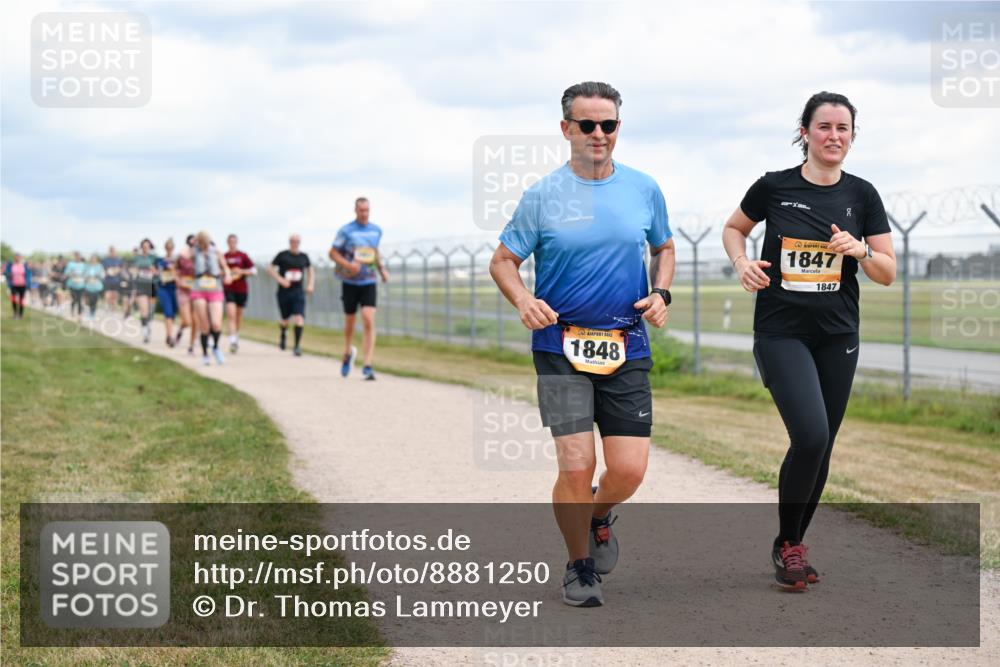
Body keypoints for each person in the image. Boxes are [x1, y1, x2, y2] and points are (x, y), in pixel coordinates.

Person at [489, 82, 674, 607]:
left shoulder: (643, 189)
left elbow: (664, 247)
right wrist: (523, 300)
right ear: (566, 128)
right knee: (575, 464)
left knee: (629, 469)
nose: (598, 134)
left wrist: (661, 292)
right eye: (587, 124)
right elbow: (503, 261)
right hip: (559, 346)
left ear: (618, 128)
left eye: (608, 124)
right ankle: (578, 566)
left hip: (626, 344)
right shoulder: (543, 195)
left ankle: (596, 516)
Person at [722, 91, 896, 591]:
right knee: (811, 436)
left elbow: (886, 272)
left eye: (843, 128)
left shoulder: (863, 195)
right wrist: (742, 263)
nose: (834, 136)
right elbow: (734, 229)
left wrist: (859, 248)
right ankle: (790, 544)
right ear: (805, 132)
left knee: (823, 446)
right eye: (824, 127)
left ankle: (790, 543)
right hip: (781, 331)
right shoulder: (774, 186)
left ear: (853, 137)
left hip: (838, 334)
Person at [329, 197, 389, 380]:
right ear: (355, 211)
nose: (364, 213)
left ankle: (368, 364)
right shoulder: (346, 231)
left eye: (367, 210)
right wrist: (348, 265)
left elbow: (374, 252)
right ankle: (347, 353)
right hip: (349, 282)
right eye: (361, 210)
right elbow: (332, 253)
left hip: (369, 281)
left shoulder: (376, 230)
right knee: (350, 322)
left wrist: (382, 269)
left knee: (368, 318)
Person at [190, 231, 232, 365]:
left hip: (215, 289)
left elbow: (225, 267)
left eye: (206, 243)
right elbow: (184, 254)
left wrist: (228, 275)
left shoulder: (216, 252)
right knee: (205, 326)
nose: (205, 246)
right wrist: (195, 241)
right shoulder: (194, 252)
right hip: (199, 289)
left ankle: (215, 348)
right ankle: (205, 354)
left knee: (216, 323)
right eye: (202, 243)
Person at [268, 234, 314, 356]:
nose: (295, 243)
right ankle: (283, 334)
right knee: (285, 319)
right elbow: (270, 268)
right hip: (284, 292)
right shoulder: (282, 255)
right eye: (293, 241)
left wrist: (310, 284)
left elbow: (310, 270)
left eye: (297, 241)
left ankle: (297, 346)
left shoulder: (304, 257)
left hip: (298, 291)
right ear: (290, 242)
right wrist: (281, 280)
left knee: (299, 317)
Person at [223, 233, 256, 353]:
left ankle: (236, 335)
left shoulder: (243, 256)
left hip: (241, 289)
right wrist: (227, 273)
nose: (232, 244)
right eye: (230, 241)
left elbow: (253, 270)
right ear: (227, 243)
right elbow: (219, 271)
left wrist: (241, 271)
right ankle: (232, 340)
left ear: (236, 242)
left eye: (234, 241)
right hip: (229, 288)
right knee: (231, 314)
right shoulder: (224, 257)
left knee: (238, 315)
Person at [132, 239, 159, 343]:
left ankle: (148, 325)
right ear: (141, 247)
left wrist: (154, 271)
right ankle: (145, 332)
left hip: (152, 285)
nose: (145, 248)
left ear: (150, 247)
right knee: (144, 310)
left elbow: (159, 272)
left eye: (147, 246)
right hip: (141, 286)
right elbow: (133, 270)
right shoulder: (137, 258)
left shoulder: (154, 258)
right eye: (143, 246)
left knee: (151, 311)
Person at [176, 234, 199, 353]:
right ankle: (180, 330)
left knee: (195, 319)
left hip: (195, 290)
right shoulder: (182, 255)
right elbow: (176, 270)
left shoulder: (200, 256)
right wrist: (178, 280)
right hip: (183, 290)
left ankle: (191, 345)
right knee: (187, 321)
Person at [156, 238, 180, 346]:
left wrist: (174, 269)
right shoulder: (160, 260)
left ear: (173, 248)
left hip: (175, 288)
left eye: (171, 248)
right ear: (165, 248)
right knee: (168, 311)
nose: (169, 249)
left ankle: (169, 334)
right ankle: (170, 336)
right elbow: (156, 272)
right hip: (163, 288)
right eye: (167, 247)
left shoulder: (177, 260)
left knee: (173, 312)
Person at [3, 253, 31, 319]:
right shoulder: (11, 265)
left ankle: (20, 314)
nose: (17, 258)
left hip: (22, 285)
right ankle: (15, 313)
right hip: (13, 285)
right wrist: (8, 274)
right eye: (16, 257)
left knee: (21, 300)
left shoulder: (24, 266)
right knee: (13, 299)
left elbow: (28, 274)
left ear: (20, 258)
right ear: (14, 258)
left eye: (18, 257)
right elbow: (6, 273)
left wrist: (28, 283)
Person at [64, 252, 87, 320]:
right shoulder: (70, 264)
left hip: (81, 284)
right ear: (74, 257)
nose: (77, 257)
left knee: (80, 300)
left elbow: (86, 273)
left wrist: (83, 277)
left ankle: (79, 315)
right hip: (72, 284)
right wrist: (71, 274)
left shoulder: (83, 265)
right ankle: (72, 312)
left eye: (79, 256)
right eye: (76, 256)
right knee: (74, 299)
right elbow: (66, 273)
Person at [83, 254, 106, 320]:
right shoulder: (87, 266)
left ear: (96, 260)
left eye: (94, 259)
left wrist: (97, 277)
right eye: (92, 259)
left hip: (96, 286)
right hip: (88, 286)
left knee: (94, 301)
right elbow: (84, 275)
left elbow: (102, 275)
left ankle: (92, 314)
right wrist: (88, 278)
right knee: (88, 300)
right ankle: (89, 312)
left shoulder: (99, 266)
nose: (93, 260)